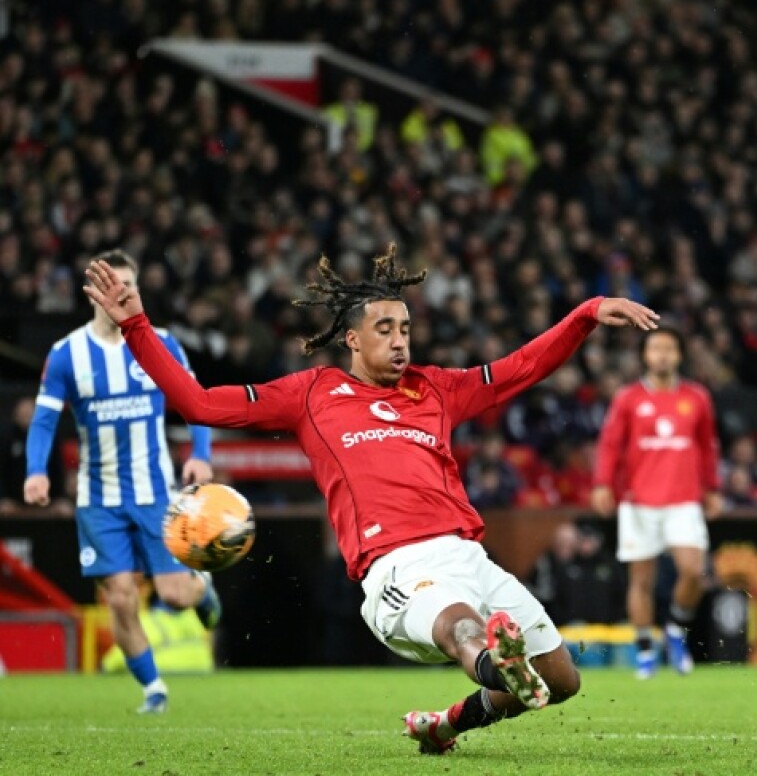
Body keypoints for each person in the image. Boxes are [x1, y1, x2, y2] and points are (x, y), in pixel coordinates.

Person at [83, 245, 658, 755]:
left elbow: (521, 368)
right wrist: (136, 325)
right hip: (397, 568)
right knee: (462, 627)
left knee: (562, 681)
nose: (400, 340)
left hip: (469, 556)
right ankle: (493, 662)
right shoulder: (312, 394)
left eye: (405, 328)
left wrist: (586, 314)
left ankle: (446, 723)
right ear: (352, 339)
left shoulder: (436, 389)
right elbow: (200, 404)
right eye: (384, 329)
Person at [24, 249, 220, 715]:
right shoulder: (67, 354)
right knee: (120, 598)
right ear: (94, 291)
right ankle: (154, 689)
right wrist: (35, 471)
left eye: (129, 286)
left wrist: (201, 455)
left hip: (155, 494)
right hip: (99, 501)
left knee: (173, 594)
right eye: (114, 285)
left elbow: (196, 402)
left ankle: (201, 588)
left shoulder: (161, 343)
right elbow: (44, 420)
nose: (122, 293)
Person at [591, 327, 721, 679]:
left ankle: (676, 628)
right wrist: (603, 483)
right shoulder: (628, 398)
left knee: (694, 571)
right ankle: (646, 649)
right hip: (639, 500)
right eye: (656, 349)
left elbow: (708, 445)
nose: (662, 355)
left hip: (684, 497)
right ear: (645, 356)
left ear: (679, 355)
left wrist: (712, 488)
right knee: (641, 579)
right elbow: (610, 444)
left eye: (669, 349)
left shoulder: (697, 397)